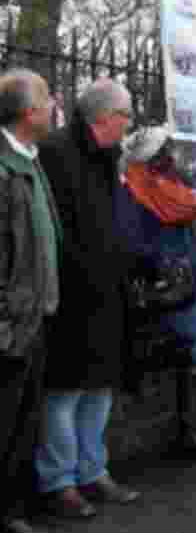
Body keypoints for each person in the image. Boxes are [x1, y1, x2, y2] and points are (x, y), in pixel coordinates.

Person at [36, 79, 141, 518]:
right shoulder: (55, 152)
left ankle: (92, 471)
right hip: (69, 292)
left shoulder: (108, 158)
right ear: (104, 117)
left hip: (106, 290)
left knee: (99, 388)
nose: (129, 124)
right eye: (125, 115)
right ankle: (58, 481)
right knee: (64, 391)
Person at [116, 125, 196, 461]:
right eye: (167, 149)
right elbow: (133, 243)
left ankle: (190, 432)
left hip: (189, 282)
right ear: (153, 159)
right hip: (170, 286)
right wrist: (164, 265)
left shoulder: (170, 187)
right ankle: (185, 419)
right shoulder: (133, 193)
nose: (174, 155)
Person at [0, 69, 60, 533]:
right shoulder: (5, 169)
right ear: (28, 112)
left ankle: (16, 506)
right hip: (12, 324)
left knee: (24, 421)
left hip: (36, 315)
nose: (55, 104)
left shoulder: (29, 160)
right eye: (46, 98)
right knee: (7, 423)